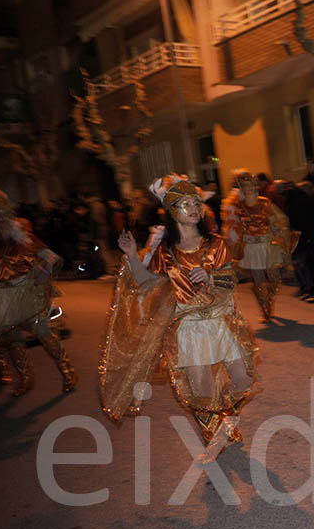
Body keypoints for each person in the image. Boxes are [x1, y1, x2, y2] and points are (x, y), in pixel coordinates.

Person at [103, 174, 257, 463]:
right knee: (202, 392)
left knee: (243, 381)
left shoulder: (216, 243)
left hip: (220, 323)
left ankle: (226, 424)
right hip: (188, 328)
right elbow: (148, 284)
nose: (193, 209)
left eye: (195, 203)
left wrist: (211, 276)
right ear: (173, 212)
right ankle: (215, 438)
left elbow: (230, 281)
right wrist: (133, 255)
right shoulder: (167, 252)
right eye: (184, 205)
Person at [0, 189, 77, 396]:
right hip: (6, 300)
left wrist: (42, 275)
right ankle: (26, 378)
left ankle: (68, 372)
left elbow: (51, 258)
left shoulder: (21, 233)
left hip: (29, 297)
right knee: (13, 337)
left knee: (44, 334)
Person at [222, 168, 294, 321]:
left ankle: (270, 299)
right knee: (258, 279)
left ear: (255, 186)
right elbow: (235, 226)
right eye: (245, 185)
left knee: (274, 276)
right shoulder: (239, 206)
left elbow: (276, 221)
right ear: (242, 188)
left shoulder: (264, 202)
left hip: (267, 244)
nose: (249, 188)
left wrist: (278, 233)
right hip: (250, 246)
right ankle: (265, 308)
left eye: (251, 185)